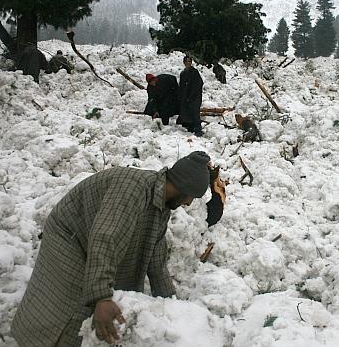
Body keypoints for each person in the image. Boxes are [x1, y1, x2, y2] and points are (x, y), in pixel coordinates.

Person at [11, 151, 212, 347]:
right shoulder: (133, 189)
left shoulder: (161, 206)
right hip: (70, 236)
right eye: (191, 197)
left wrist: (173, 305)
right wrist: (101, 297)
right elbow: (105, 238)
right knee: (72, 303)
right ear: (184, 188)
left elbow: (156, 260)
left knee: (110, 289)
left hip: (92, 238)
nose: (188, 203)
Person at [178, 56, 204, 136]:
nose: (188, 63)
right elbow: (181, 86)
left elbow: (199, 84)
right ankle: (190, 128)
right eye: (186, 61)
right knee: (187, 112)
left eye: (189, 61)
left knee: (195, 113)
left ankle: (198, 130)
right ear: (184, 63)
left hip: (195, 97)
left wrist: (192, 94)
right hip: (186, 97)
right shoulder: (183, 73)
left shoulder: (195, 72)